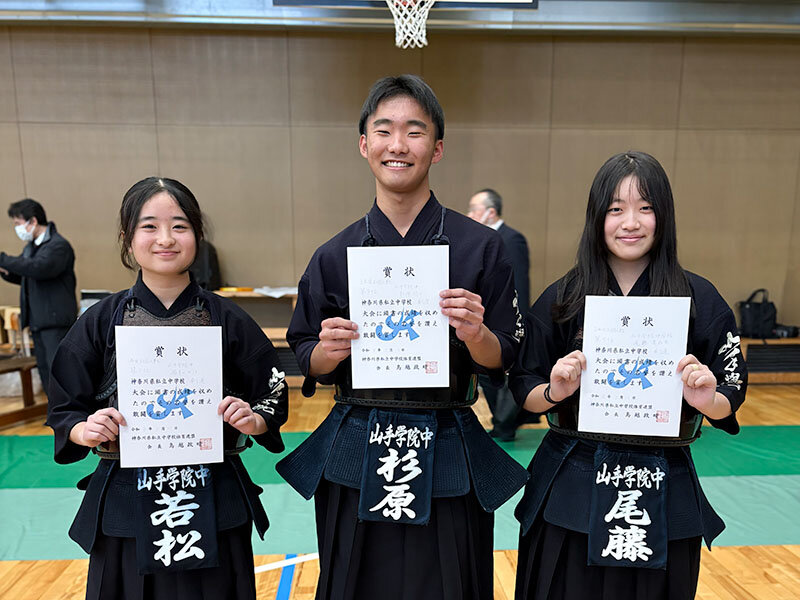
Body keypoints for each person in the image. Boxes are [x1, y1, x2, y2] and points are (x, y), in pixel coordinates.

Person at [277, 75, 528, 600]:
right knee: (355, 581)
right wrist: (326, 351)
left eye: (414, 131)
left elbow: (505, 355)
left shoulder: (480, 248)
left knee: (451, 581)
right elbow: (306, 357)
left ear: (436, 148)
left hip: (450, 438)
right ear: (364, 144)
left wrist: (477, 333)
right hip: (357, 439)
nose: (398, 144)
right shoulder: (333, 254)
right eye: (384, 130)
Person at [509, 151, 747, 600]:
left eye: (646, 207)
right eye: (616, 208)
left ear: (664, 216)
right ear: (597, 217)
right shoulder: (563, 296)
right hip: (573, 473)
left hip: (663, 475)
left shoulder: (700, 297)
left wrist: (705, 399)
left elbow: (730, 391)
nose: (630, 222)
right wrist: (555, 390)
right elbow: (524, 388)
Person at [46, 177, 289, 600]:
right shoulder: (101, 320)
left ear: (197, 234)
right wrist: (84, 429)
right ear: (127, 237)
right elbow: (66, 405)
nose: (165, 239)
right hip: (125, 493)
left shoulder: (228, 319)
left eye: (179, 226)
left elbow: (272, 391)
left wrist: (254, 418)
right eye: (149, 226)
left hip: (212, 490)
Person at [467, 188, 534, 440]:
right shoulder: (480, 241)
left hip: (507, 321)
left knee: (507, 379)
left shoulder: (511, 238)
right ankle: (500, 423)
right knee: (488, 377)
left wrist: (520, 321)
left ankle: (506, 425)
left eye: (474, 209)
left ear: (490, 212)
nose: (469, 214)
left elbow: (518, 285)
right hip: (483, 323)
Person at [0, 198, 77, 394]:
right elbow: (27, 275)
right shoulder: (31, 248)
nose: (17, 228)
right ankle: (54, 413)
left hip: (55, 321)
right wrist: (5, 270)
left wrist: (3, 259)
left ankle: (70, 416)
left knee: (59, 371)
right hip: (38, 321)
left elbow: (40, 269)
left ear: (32, 221)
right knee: (45, 370)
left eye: (18, 223)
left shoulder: (58, 246)